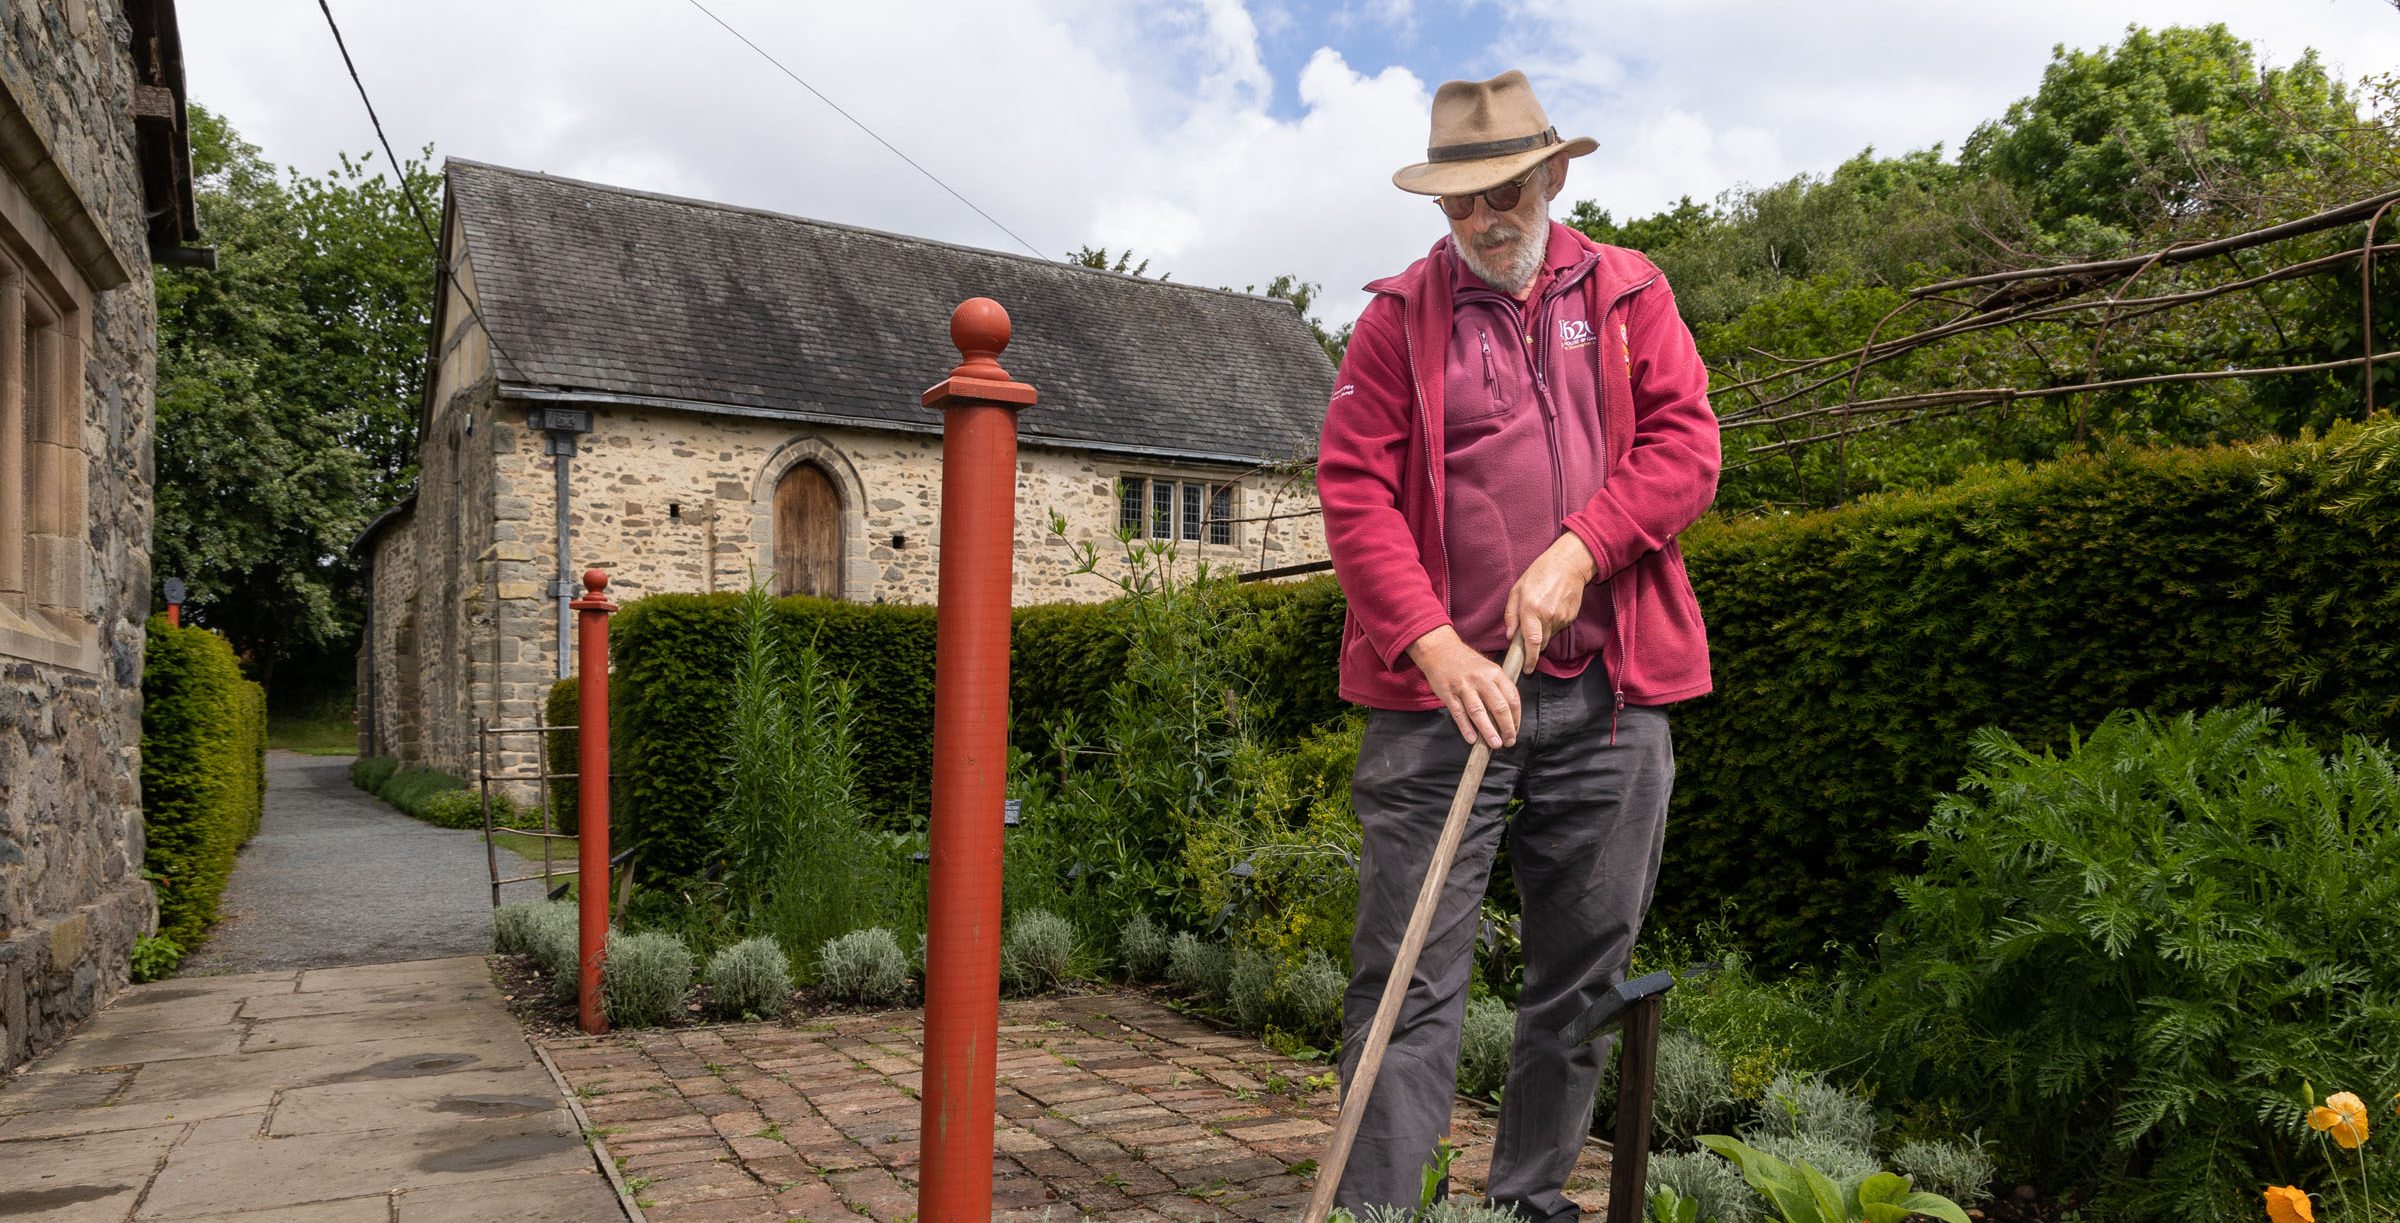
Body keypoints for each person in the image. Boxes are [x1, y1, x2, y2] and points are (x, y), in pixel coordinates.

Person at [1316, 69, 1720, 1220]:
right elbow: (1353, 493)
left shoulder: (1633, 292)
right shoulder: (1398, 320)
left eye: (1504, 191)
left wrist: (1581, 548)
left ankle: (1529, 1198)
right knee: (1408, 977)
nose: (1484, 219)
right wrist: (1432, 646)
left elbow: (1687, 448)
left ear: (1553, 173)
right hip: (1441, 704)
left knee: (1581, 976)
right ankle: (1382, 1209)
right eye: (1459, 203)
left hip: (1607, 694)